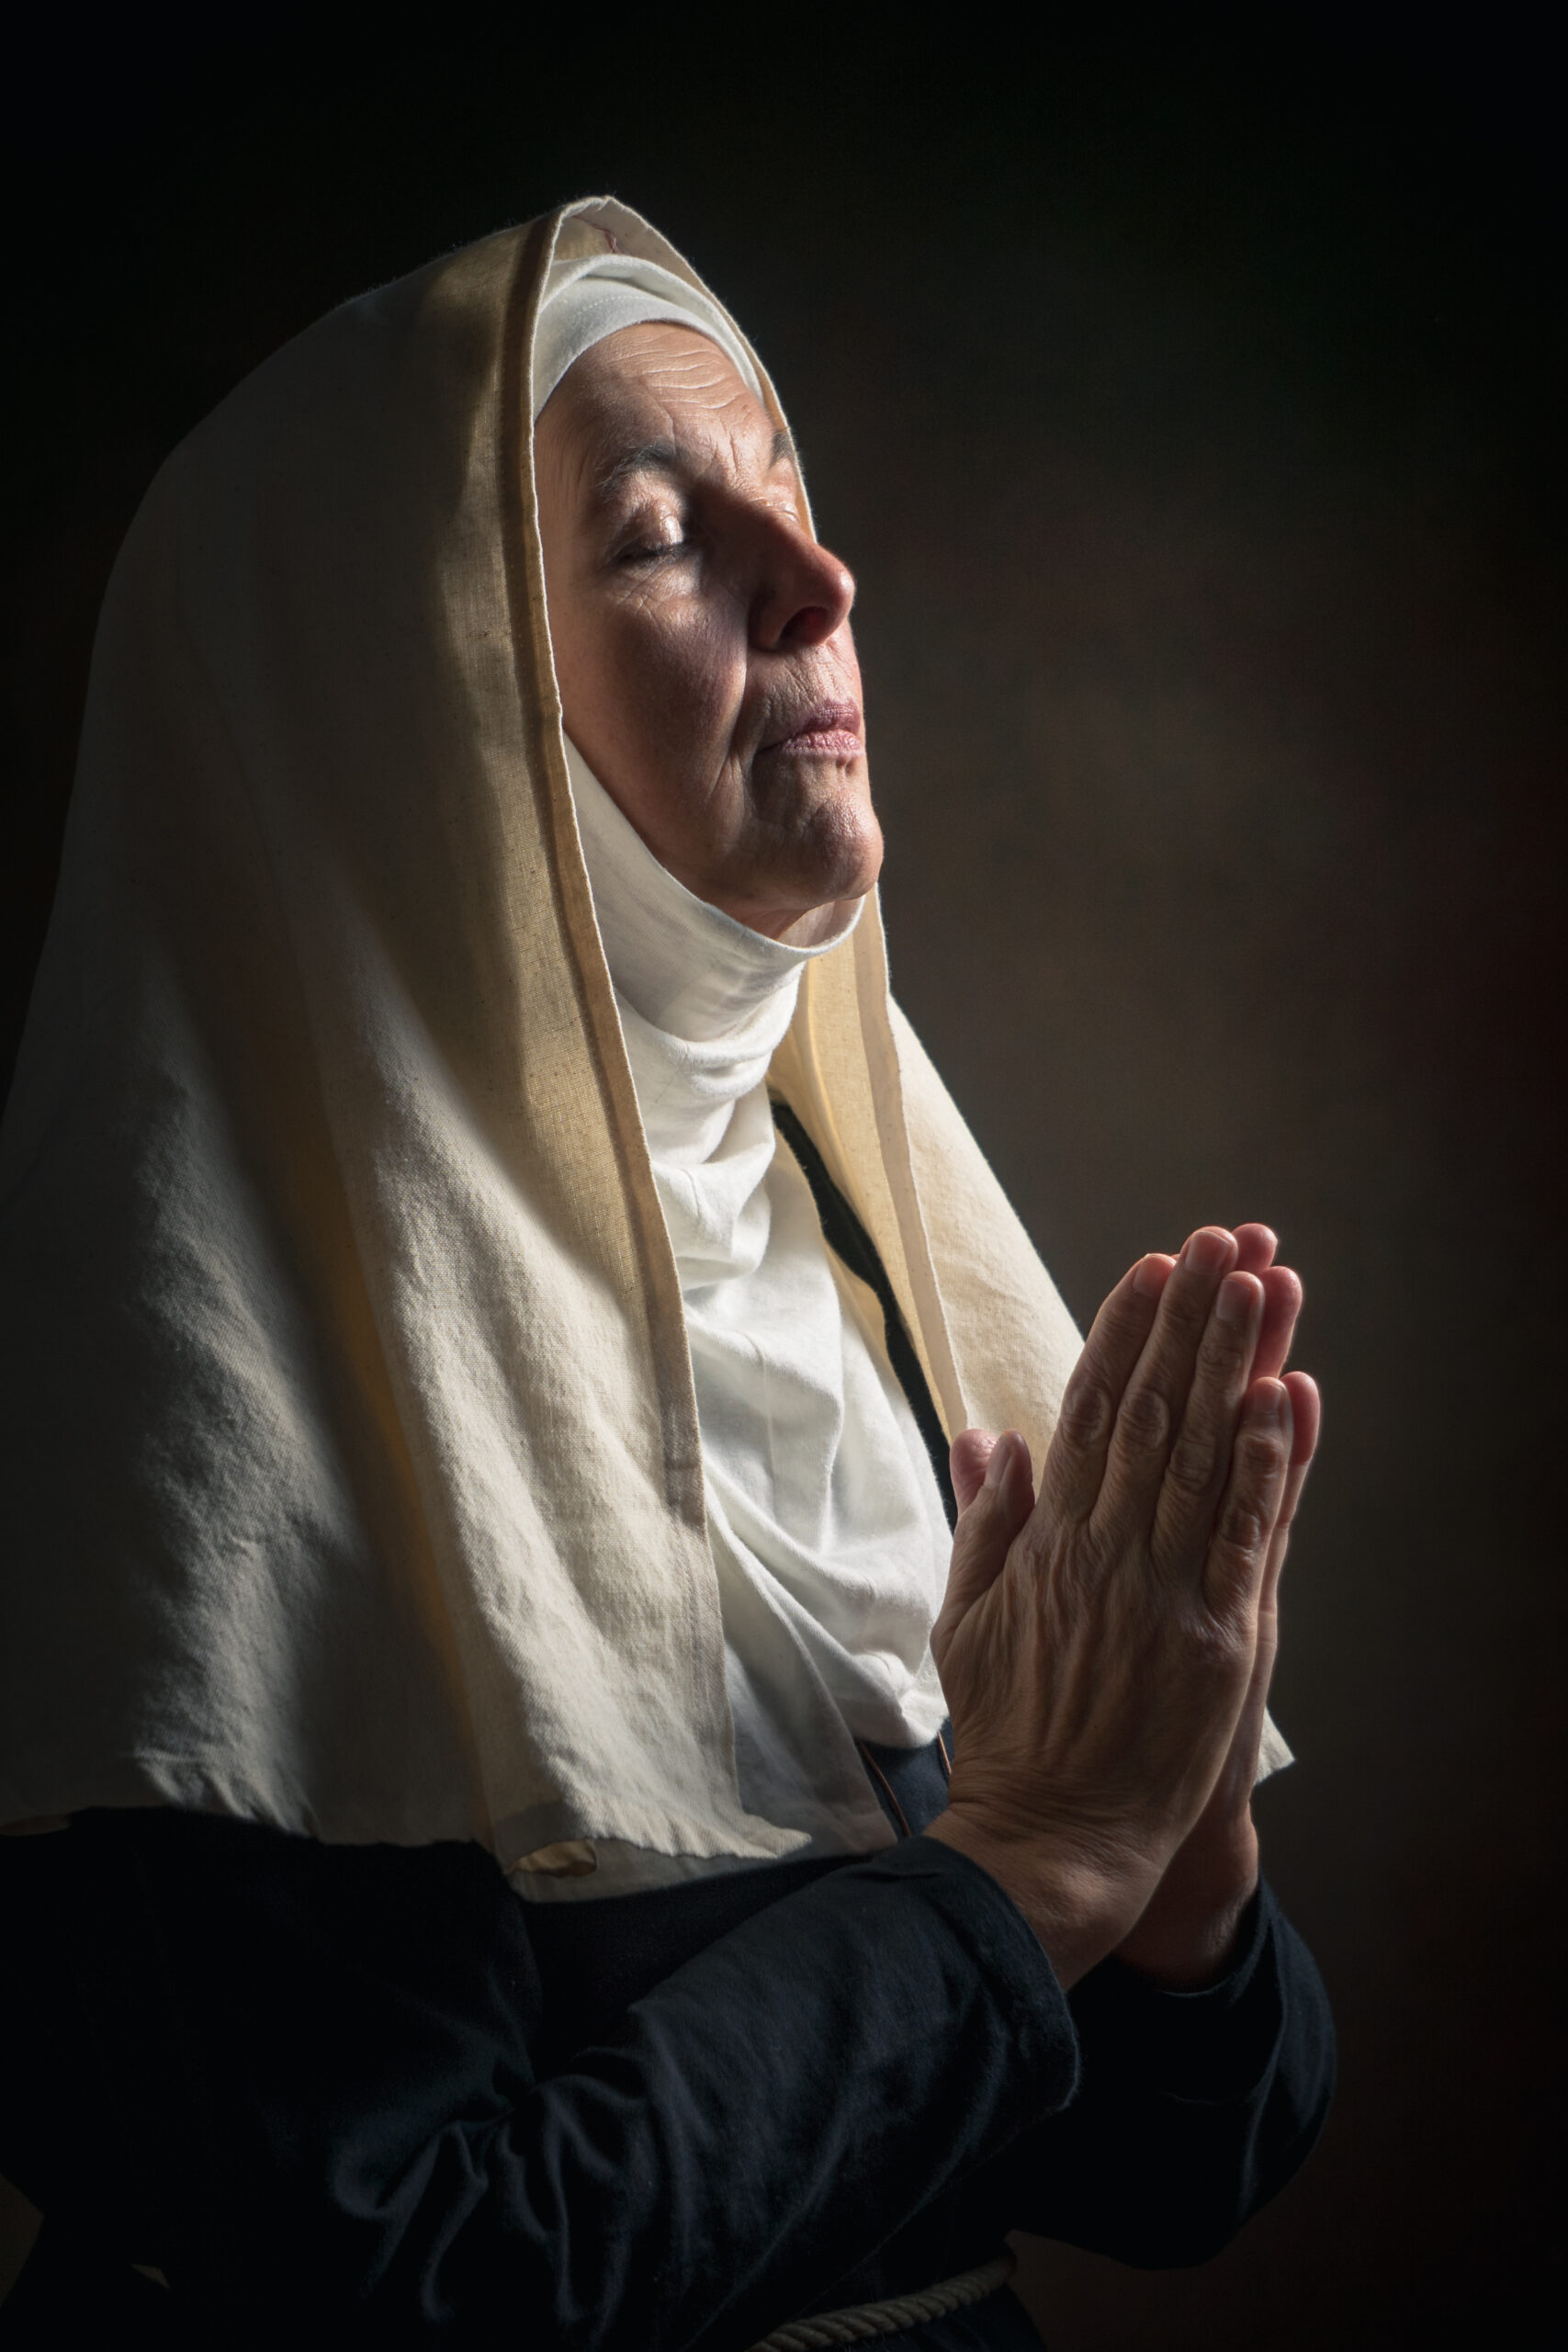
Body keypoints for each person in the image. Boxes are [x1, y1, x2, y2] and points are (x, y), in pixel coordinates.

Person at [0, 198, 1332, 2347]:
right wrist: (1019, 1866)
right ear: (407, 715)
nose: (819, 579)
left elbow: (1176, 2165)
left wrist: (1167, 1838)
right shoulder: (184, 1405)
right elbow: (424, 2280)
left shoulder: (849, 1275)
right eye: (656, 538)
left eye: (788, 494)